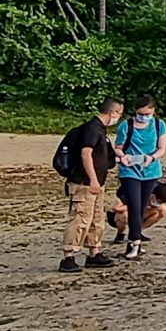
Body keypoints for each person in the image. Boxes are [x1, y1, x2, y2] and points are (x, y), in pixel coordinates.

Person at [57, 96, 123, 273]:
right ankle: (68, 256)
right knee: (80, 219)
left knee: (96, 219)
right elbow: (86, 154)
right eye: (119, 113)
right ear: (113, 112)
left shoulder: (99, 130)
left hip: (96, 183)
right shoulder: (92, 129)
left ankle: (95, 252)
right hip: (84, 183)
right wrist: (93, 179)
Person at [112, 96, 166, 261]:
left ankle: (136, 239)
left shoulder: (159, 125)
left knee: (143, 205)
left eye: (147, 113)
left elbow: (162, 148)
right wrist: (123, 157)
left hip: (150, 171)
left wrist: (151, 158)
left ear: (153, 111)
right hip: (130, 170)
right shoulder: (126, 125)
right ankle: (134, 242)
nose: (144, 116)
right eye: (140, 113)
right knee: (134, 206)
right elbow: (118, 148)